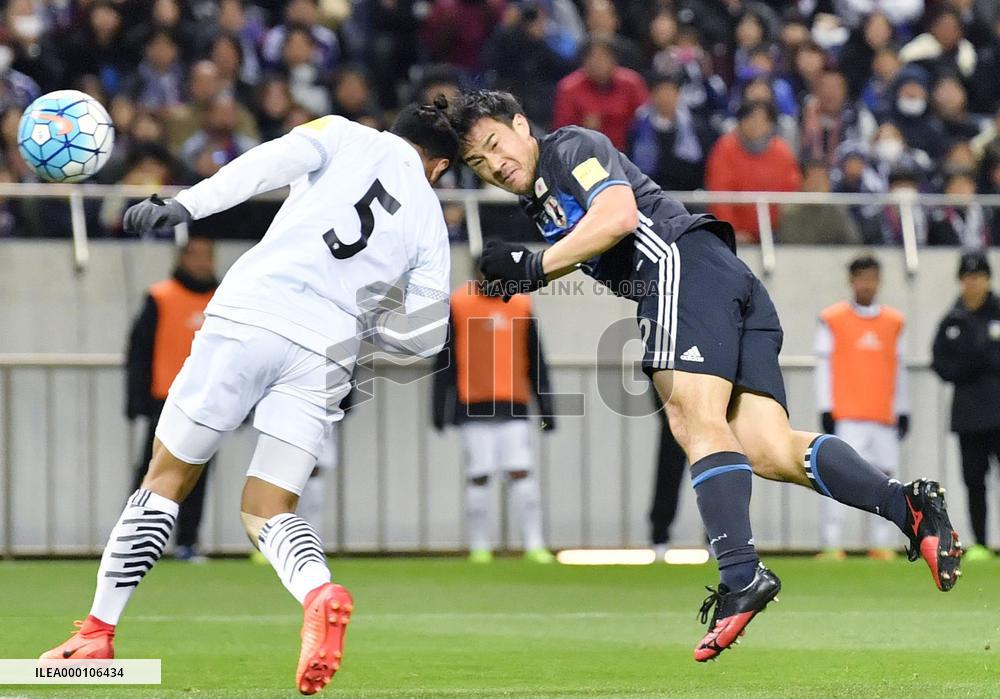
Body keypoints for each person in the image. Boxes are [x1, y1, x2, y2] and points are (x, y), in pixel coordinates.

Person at [445, 88, 963, 663]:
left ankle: (741, 574)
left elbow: (617, 216)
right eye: (477, 162)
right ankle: (907, 507)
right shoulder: (536, 197)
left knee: (696, 422)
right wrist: (529, 270)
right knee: (768, 451)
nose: (494, 164)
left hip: (680, 265)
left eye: (495, 144)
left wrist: (535, 265)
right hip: (724, 278)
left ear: (521, 124)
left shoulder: (569, 146)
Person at [40, 101, 459, 697]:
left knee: (167, 476)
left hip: (251, 315)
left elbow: (266, 163)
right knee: (268, 508)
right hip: (326, 349)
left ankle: (98, 632)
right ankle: (319, 592)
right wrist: (358, 329)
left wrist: (185, 204)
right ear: (439, 166)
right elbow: (427, 335)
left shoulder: (343, 134)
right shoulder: (431, 219)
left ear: (395, 131)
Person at [432, 275, 556, 564]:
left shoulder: (520, 304)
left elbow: (536, 357)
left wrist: (547, 407)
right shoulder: (460, 303)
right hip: (472, 406)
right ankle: (480, 546)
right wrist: (440, 406)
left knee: (521, 472)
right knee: (479, 475)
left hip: (513, 404)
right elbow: (445, 359)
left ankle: (534, 544)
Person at [126, 237, 218, 562]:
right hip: (164, 400)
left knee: (198, 474)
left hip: (208, 403)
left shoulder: (224, 299)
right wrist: (136, 400)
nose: (204, 263)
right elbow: (139, 351)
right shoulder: (160, 296)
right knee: (151, 471)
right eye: (196, 255)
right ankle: (135, 537)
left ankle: (188, 541)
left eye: (208, 255)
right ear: (182, 257)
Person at [814, 256, 908, 560]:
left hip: (882, 414)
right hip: (848, 414)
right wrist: (826, 407)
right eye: (861, 278)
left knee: (885, 478)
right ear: (851, 280)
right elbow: (823, 366)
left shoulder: (894, 322)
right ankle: (832, 542)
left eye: (872, 278)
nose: (867, 284)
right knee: (839, 477)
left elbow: (900, 368)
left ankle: (880, 543)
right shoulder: (833, 319)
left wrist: (903, 409)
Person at [932, 251, 1000, 562]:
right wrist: (979, 361)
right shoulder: (953, 318)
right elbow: (942, 364)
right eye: (967, 277)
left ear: (988, 279)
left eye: (978, 276)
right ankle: (981, 542)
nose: (972, 283)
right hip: (969, 415)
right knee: (974, 481)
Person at [705, 100, 801, 244]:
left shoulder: (782, 151)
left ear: (770, 124)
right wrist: (732, 231)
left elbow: (791, 192)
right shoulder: (725, 148)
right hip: (735, 236)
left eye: (762, 120)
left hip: (776, 234)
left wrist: (785, 230)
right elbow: (720, 195)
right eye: (750, 119)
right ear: (740, 122)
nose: (755, 125)